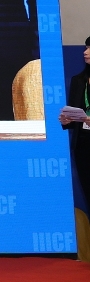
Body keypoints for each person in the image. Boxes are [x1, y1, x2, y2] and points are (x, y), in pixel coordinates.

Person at [60, 39, 90, 210]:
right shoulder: (78, 80)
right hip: (83, 146)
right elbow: (75, 113)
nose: (85, 52)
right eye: (86, 48)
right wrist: (68, 121)